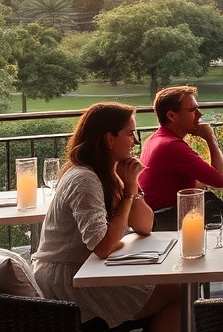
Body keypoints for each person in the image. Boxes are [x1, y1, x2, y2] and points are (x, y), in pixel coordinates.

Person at [32, 103, 179, 331]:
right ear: (109, 139)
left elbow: (145, 226)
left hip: (93, 271)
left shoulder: (108, 173)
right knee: (178, 292)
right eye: (130, 134)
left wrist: (132, 185)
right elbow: (102, 246)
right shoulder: (84, 179)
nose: (136, 141)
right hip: (71, 283)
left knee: (178, 287)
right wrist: (128, 194)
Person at [138, 85, 223, 212]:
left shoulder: (155, 139)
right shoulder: (171, 146)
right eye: (192, 110)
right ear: (172, 116)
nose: (199, 114)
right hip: (169, 218)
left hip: (159, 214)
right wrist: (210, 138)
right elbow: (221, 180)